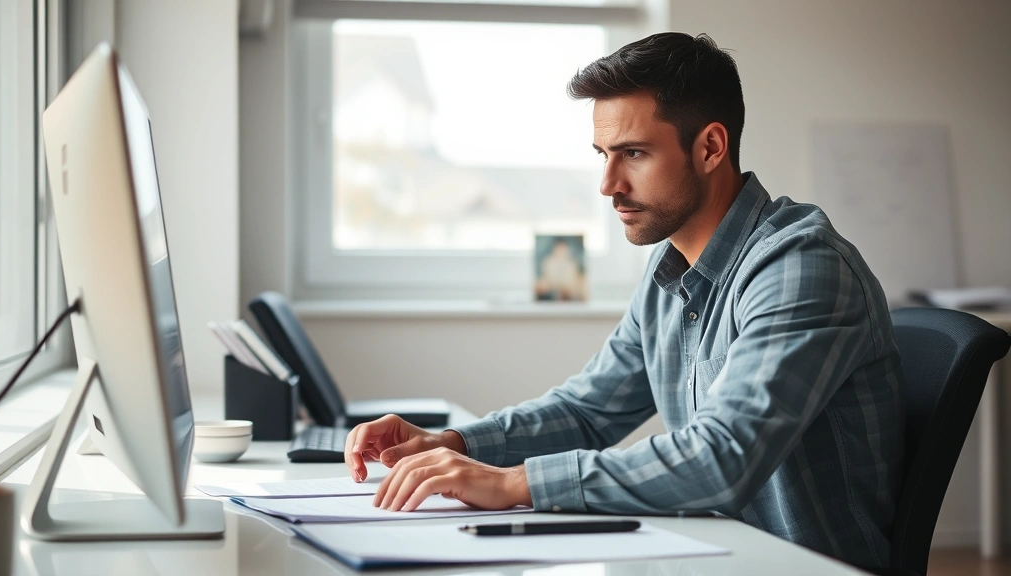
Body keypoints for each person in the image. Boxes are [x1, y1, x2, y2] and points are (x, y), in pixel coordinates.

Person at [344, 31, 903, 570]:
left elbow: (722, 455)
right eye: (602, 154)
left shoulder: (801, 266)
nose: (608, 184)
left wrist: (511, 483)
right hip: (703, 553)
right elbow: (589, 410)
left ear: (710, 147)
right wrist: (452, 442)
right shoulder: (672, 272)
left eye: (633, 153)